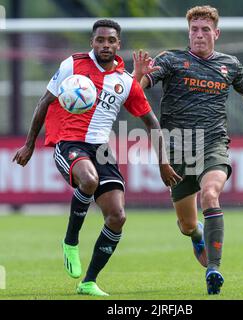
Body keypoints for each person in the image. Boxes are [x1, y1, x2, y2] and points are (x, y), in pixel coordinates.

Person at [13, 19, 181, 297]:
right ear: (92, 42)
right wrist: (29, 144)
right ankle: (70, 241)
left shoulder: (125, 82)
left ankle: (88, 281)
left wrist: (163, 163)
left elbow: (151, 122)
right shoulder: (72, 65)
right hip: (68, 143)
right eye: (100, 40)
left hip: (101, 150)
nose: (105, 45)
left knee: (117, 216)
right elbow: (44, 101)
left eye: (111, 40)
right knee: (88, 180)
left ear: (118, 44)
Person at [133, 5, 243, 295]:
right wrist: (137, 75)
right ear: (188, 32)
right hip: (177, 150)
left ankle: (214, 269)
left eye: (205, 29)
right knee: (186, 225)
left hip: (213, 144)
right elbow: (135, 94)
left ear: (216, 33)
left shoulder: (230, 65)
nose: (199, 35)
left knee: (210, 194)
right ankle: (197, 235)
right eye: (194, 30)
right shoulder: (171, 60)